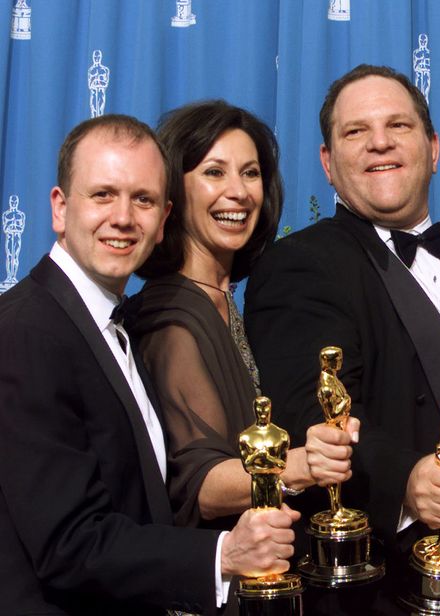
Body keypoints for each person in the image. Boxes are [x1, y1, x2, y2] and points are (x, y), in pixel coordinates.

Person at [0, 114, 296, 615]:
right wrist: (222, 555)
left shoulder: (113, 326)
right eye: (102, 195)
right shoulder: (26, 333)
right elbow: (68, 545)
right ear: (59, 207)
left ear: (163, 222)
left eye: (143, 200)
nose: (123, 217)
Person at [244, 65, 440, 613]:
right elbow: (312, 412)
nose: (379, 141)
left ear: (434, 148)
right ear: (327, 162)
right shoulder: (302, 264)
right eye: (355, 131)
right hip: (393, 585)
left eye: (398, 126)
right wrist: (407, 479)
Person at [129, 101, 354, 540]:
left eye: (250, 173)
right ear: (173, 189)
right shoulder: (171, 318)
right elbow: (201, 483)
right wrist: (305, 463)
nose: (239, 191)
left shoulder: (222, 298)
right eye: (214, 172)